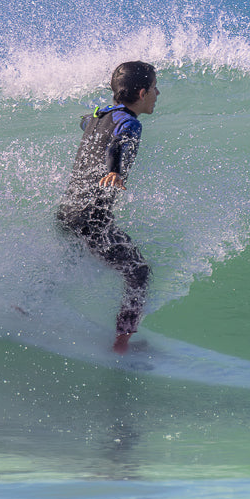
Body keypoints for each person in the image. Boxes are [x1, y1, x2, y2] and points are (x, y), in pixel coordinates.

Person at [56, 61, 160, 354]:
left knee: (68, 262)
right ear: (141, 93)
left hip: (69, 211)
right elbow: (118, 143)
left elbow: (85, 122)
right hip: (92, 218)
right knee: (139, 272)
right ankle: (121, 344)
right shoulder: (130, 122)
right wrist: (113, 169)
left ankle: (23, 305)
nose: (157, 93)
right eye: (154, 88)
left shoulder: (99, 114)